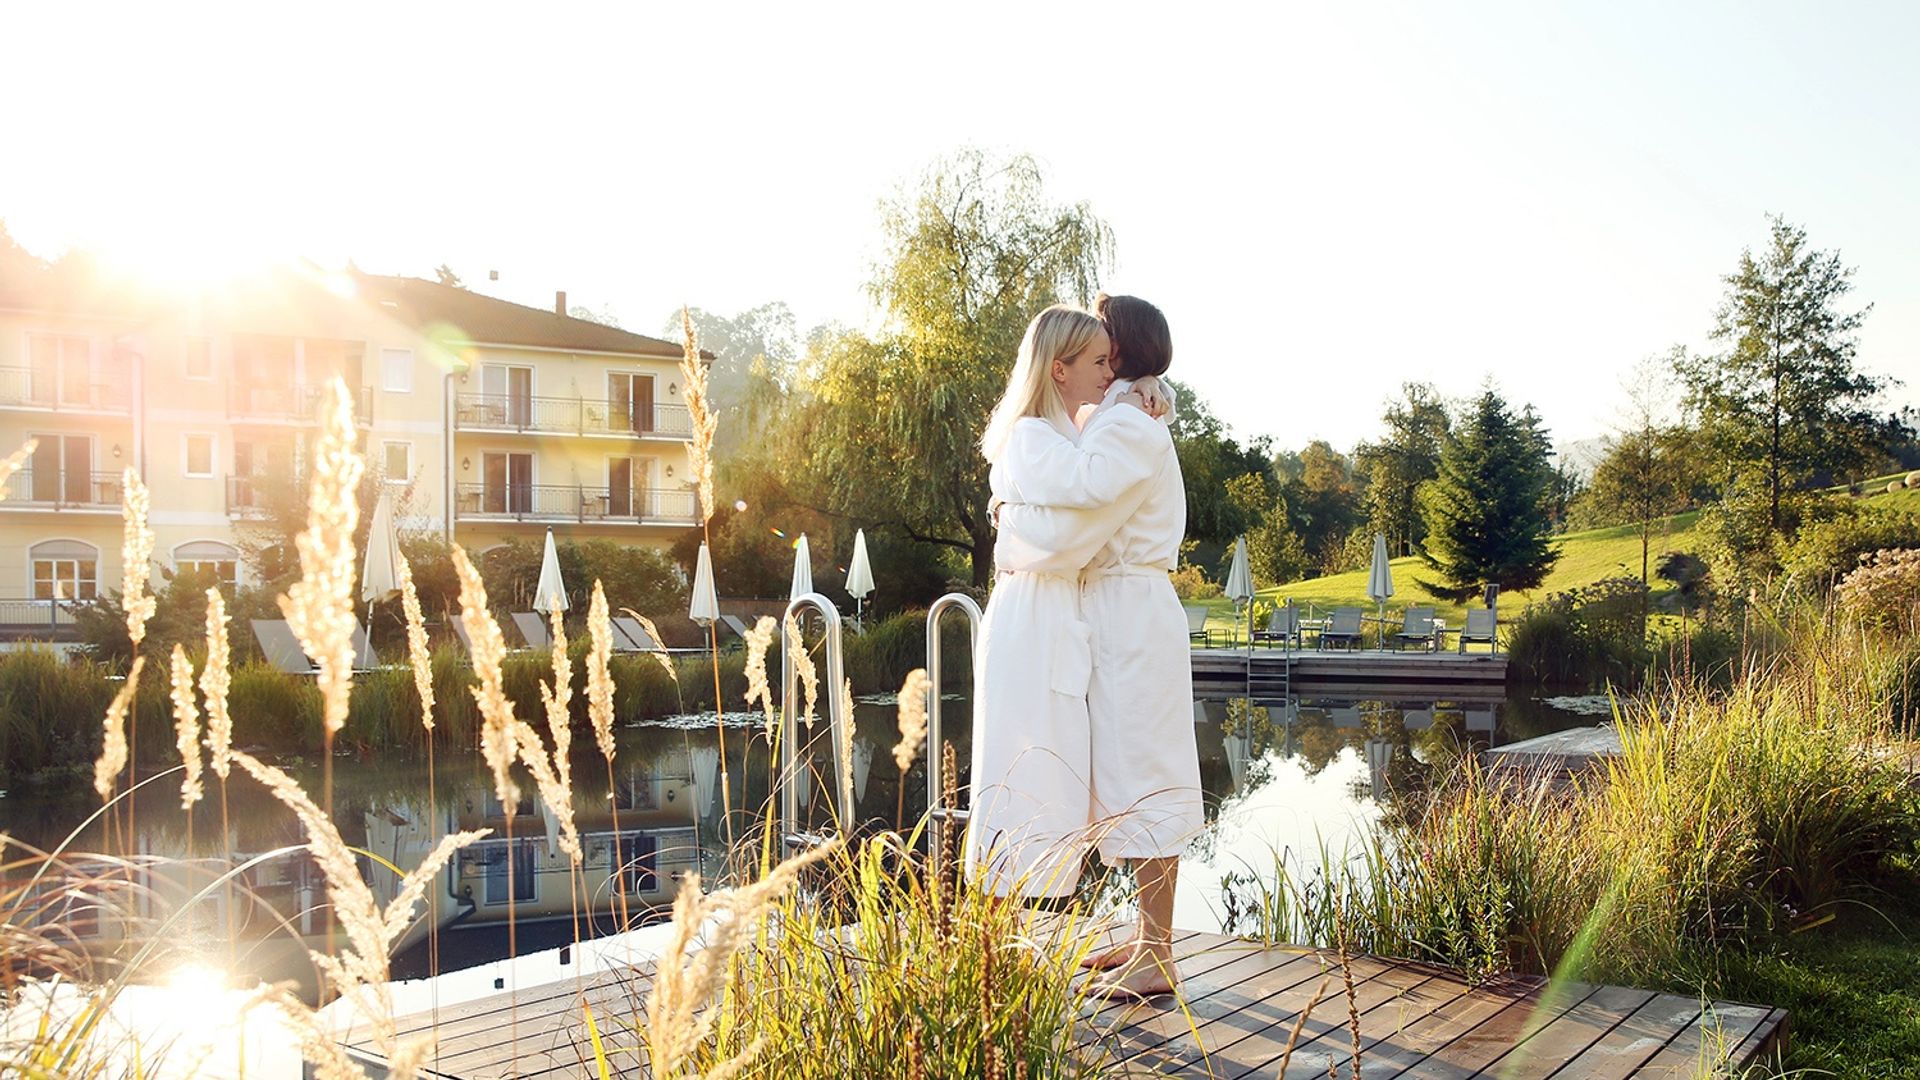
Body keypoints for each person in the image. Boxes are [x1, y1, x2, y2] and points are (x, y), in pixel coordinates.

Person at [996, 293, 1201, 998]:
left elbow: (1075, 522)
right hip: (1113, 611)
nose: (1095, 348)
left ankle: (1158, 955)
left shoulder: (1127, 427)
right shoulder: (1122, 417)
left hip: (1129, 614)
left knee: (1145, 773)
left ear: (1121, 347)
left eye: (1102, 337)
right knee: (1121, 776)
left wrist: (1009, 521)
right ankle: (1148, 941)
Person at [965, 304, 1166, 903]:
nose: (1111, 374)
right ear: (1059, 369)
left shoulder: (1067, 433)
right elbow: (1073, 528)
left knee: (1052, 772)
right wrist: (1015, 532)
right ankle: (998, 944)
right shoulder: (1031, 436)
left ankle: (1019, 940)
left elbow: (1075, 521)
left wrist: (1150, 392)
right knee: (1022, 764)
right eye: (1101, 362)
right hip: (1032, 616)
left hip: (1055, 614)